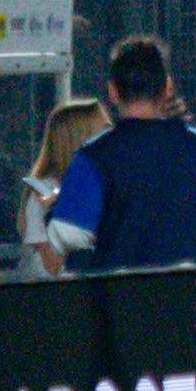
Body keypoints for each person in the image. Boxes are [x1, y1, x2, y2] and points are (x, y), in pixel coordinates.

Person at [50, 36, 196, 270]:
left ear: (113, 91)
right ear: (167, 88)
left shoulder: (93, 157)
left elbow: (65, 237)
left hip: (116, 301)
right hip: (195, 299)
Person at [18, 97, 112, 277]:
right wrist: (55, 213)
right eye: (104, 130)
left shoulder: (105, 181)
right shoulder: (42, 191)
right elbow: (52, 267)